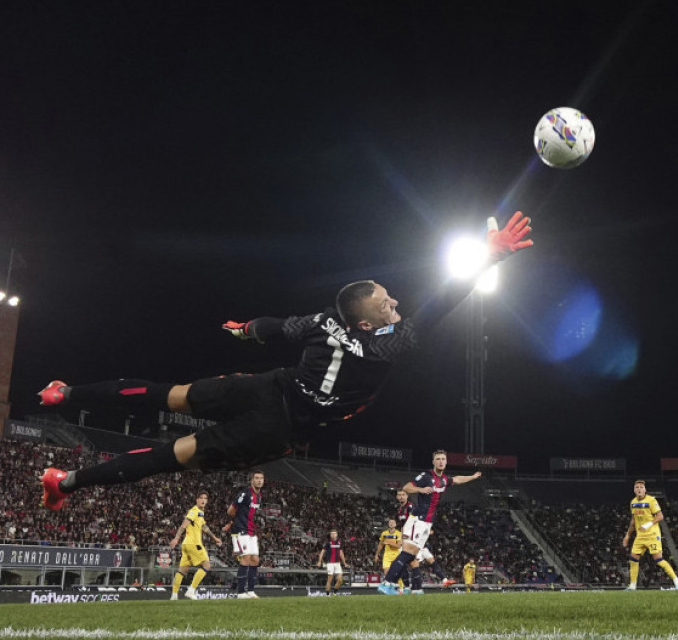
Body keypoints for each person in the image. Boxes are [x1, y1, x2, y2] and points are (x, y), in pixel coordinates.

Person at [37, 213, 533, 510]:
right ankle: (67, 482)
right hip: (277, 428)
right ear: (366, 323)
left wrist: (244, 329)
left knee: (172, 394)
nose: (396, 302)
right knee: (176, 455)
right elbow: (440, 302)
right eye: (387, 302)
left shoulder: (322, 321)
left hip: (267, 387)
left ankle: (67, 393)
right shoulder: (390, 346)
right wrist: (486, 260)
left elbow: (275, 327)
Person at [377, 450, 482, 595]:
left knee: (411, 556)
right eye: (438, 459)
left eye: (443, 459)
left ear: (446, 461)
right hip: (418, 519)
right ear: (433, 462)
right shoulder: (426, 476)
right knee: (407, 553)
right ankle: (387, 583)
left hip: (427, 523)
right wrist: (420, 489)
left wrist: (473, 477)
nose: (440, 461)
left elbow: (457, 479)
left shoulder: (444, 479)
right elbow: (407, 487)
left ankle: (407, 587)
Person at [621, 479, 678, 591]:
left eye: (641, 487)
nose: (639, 489)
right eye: (637, 487)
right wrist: (627, 536)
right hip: (640, 536)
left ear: (645, 490)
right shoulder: (633, 502)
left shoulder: (651, 500)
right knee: (633, 559)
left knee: (658, 560)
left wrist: (648, 524)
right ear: (634, 490)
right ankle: (632, 586)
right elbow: (633, 521)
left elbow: (660, 516)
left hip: (652, 535)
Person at [388, 488, 454, 589]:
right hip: (408, 539)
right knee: (414, 563)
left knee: (427, 559)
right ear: (397, 497)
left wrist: (425, 531)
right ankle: (410, 588)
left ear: (407, 496)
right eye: (399, 495)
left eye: (403, 495)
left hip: (414, 538)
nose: (401, 497)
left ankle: (443, 580)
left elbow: (419, 520)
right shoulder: (400, 510)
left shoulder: (411, 507)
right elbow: (402, 525)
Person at [168, 491, 223, 600]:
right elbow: (184, 523)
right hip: (194, 544)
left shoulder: (200, 513)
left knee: (182, 571)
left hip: (186, 545)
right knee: (206, 566)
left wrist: (215, 538)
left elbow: (204, 527)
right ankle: (191, 590)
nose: (203, 500)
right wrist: (177, 537)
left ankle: (174, 595)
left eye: (205, 498)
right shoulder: (194, 511)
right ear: (197, 500)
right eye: (201, 498)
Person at [222, 470, 264, 599]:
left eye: (261, 478)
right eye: (256, 478)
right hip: (241, 530)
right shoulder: (245, 493)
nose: (259, 480)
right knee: (246, 558)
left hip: (251, 530)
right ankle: (240, 592)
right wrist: (235, 522)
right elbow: (230, 510)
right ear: (251, 480)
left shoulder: (259, 496)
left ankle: (250, 591)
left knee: (255, 560)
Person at [374, 518, 404, 592]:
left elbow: (399, 546)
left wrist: (389, 543)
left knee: (397, 573)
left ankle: (401, 589)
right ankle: (390, 589)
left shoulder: (398, 534)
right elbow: (381, 544)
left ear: (395, 525)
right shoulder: (384, 533)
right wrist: (377, 554)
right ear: (388, 524)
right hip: (387, 555)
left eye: (393, 522)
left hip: (396, 555)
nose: (391, 523)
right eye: (390, 522)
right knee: (387, 573)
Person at [316, 528, 349, 595]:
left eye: (335, 533)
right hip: (330, 563)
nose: (334, 535)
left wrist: (344, 563)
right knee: (330, 579)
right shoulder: (328, 543)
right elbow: (322, 552)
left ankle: (334, 593)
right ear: (330, 535)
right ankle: (328, 595)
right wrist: (319, 561)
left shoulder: (339, 542)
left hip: (337, 563)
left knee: (340, 580)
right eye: (332, 534)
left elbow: (341, 553)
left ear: (337, 535)